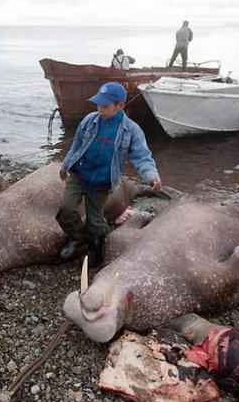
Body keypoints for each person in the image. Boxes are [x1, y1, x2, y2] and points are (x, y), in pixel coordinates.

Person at [57, 82, 162, 267]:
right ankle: (76, 237)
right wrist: (65, 165)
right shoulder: (90, 120)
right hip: (79, 175)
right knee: (66, 208)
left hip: (102, 182)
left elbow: (142, 157)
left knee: (94, 219)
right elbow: (76, 146)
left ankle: (96, 246)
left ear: (120, 106)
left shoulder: (132, 131)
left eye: (105, 106)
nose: (99, 109)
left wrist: (152, 176)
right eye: (98, 104)